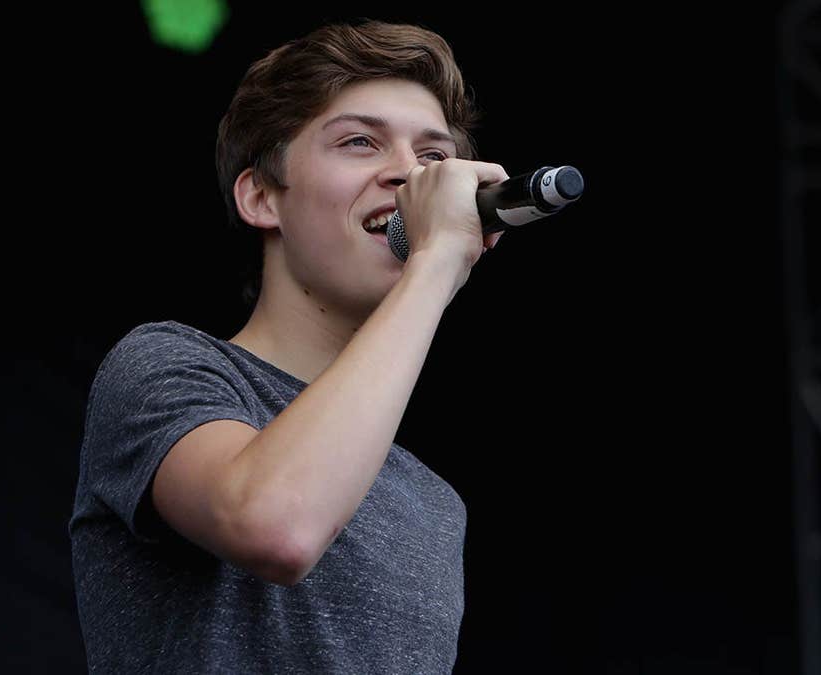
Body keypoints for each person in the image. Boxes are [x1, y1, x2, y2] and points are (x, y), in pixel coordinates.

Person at [69, 19, 507, 673]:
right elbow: (277, 524)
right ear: (262, 196)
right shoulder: (167, 366)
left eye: (435, 158)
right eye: (360, 141)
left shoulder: (433, 503)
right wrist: (437, 260)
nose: (410, 177)